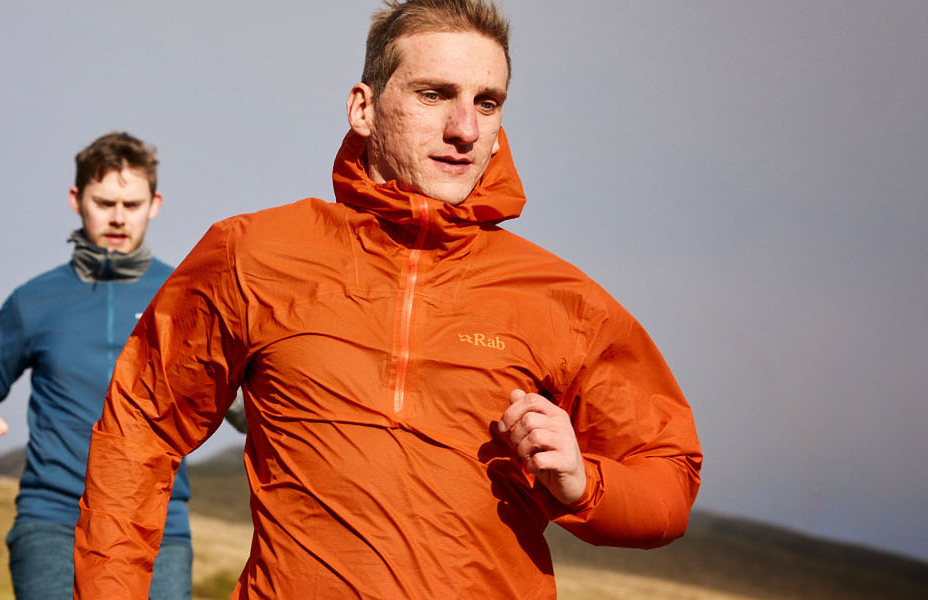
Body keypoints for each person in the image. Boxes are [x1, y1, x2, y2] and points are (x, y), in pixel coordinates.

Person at [74, 1, 703, 597]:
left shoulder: (562, 299)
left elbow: (669, 478)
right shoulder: (251, 252)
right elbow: (139, 434)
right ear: (363, 108)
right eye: (434, 94)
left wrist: (579, 480)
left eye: (488, 103)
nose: (464, 128)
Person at [0, 132, 197, 600]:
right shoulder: (33, 301)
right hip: (52, 525)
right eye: (104, 202)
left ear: (155, 204)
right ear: (76, 199)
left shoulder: (184, 295)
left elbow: (239, 398)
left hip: (156, 526)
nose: (119, 217)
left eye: (132, 203)